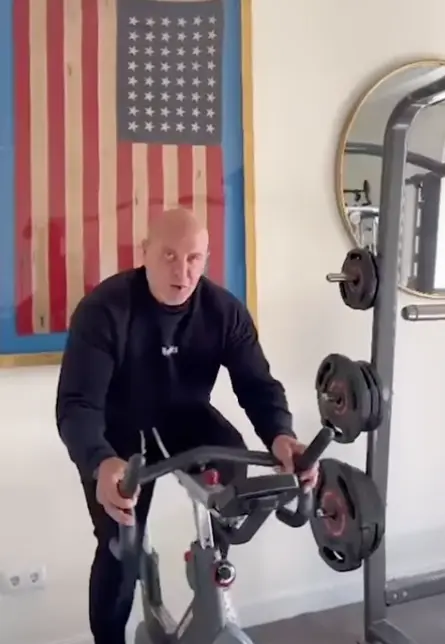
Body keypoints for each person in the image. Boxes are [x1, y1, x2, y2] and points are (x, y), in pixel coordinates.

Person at [56, 207, 319, 644]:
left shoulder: (223, 311)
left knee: (232, 462)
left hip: (186, 419)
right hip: (118, 438)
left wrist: (281, 436)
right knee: (121, 550)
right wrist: (98, 461)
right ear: (144, 253)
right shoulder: (105, 310)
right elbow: (77, 404)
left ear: (207, 258)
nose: (183, 271)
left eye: (194, 258)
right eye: (169, 256)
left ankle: (208, 568)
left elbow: (257, 385)